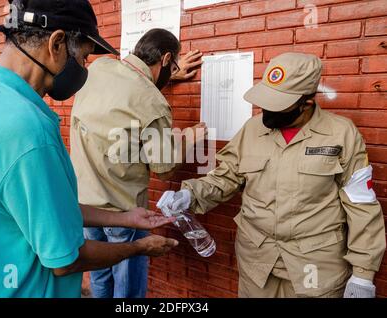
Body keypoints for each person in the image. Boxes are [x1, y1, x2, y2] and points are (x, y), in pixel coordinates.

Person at [0, 0, 177, 298]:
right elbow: (65, 261)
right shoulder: (26, 130)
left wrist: (125, 218)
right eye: (83, 57)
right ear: (57, 43)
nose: (84, 69)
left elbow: (44, 211)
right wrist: (138, 247)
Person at [159, 53, 386, 298]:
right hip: (257, 262)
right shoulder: (252, 129)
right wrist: (189, 194)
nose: (266, 109)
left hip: (315, 266)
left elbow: (362, 205)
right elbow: (226, 177)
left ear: (306, 102)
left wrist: (363, 274)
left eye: (277, 103)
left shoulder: (341, 134)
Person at [70, 29, 207, 298]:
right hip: (123, 211)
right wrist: (189, 139)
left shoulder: (100, 68)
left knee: (99, 276)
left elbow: (126, 92)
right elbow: (164, 168)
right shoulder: (153, 102)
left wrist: (170, 77)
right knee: (128, 287)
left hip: (85, 204)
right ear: (166, 58)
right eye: (174, 64)